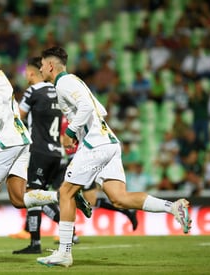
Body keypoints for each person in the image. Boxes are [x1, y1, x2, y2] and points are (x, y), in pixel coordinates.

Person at [36, 46, 191, 268]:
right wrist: (79, 134)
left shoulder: (64, 82)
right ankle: (173, 207)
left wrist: (70, 132)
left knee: (65, 192)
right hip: (108, 142)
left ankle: (64, 252)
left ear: (50, 65)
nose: (40, 68)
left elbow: (88, 107)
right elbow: (100, 110)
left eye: (41, 64)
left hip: (96, 145)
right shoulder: (75, 81)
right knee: (119, 198)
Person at [0, 42, 89, 266]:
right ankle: (62, 196)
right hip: (22, 139)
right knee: (18, 199)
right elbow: (10, 111)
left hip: (5, 141)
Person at [12, 57, 81, 255]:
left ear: (32, 73)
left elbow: (19, 117)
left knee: (33, 195)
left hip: (39, 151)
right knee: (36, 194)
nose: (25, 75)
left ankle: (43, 237)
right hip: (58, 153)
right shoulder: (58, 91)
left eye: (26, 72)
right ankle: (38, 241)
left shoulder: (33, 91)